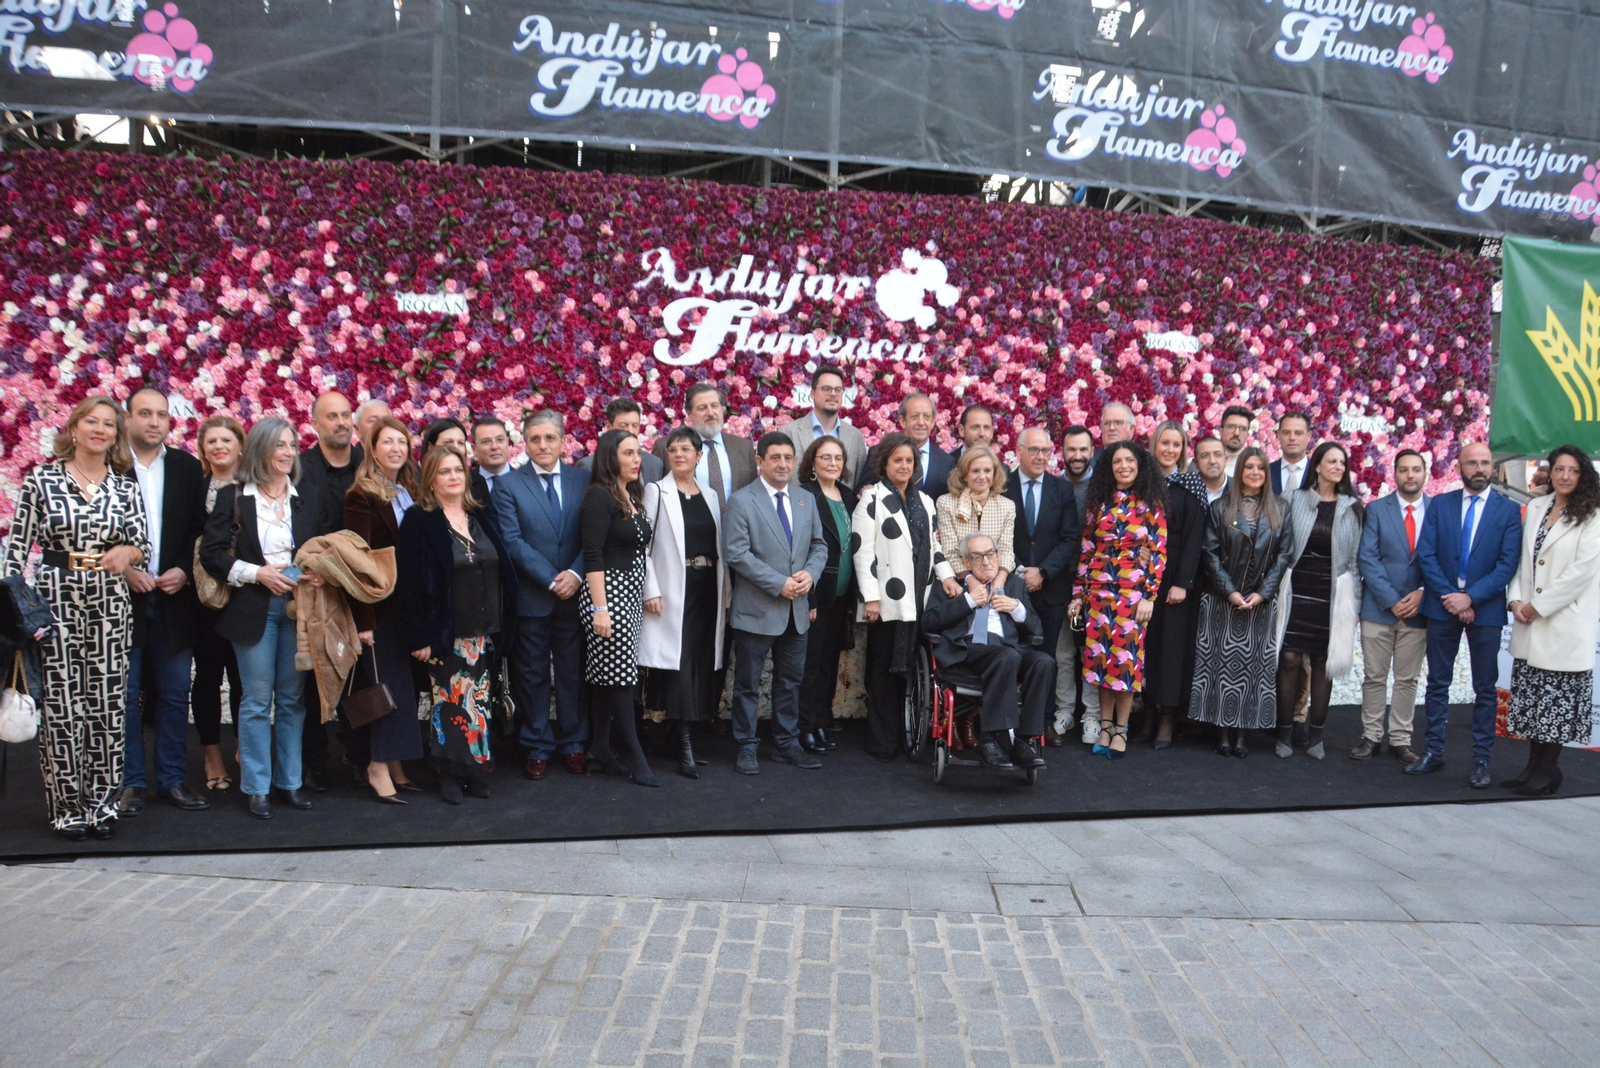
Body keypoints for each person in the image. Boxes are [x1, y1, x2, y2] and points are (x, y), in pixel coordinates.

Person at [3, 396, 150, 840]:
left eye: (109, 423)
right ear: (73, 427)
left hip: (110, 600)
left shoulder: (125, 485)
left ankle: (103, 805)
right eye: (92, 421)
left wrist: (129, 552)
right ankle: (68, 809)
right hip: (56, 599)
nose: (100, 429)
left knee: (108, 704)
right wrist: (16, 610)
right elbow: (15, 551)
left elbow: (142, 541)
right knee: (66, 707)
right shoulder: (42, 480)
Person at [200, 417, 318, 821]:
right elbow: (212, 554)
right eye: (278, 445)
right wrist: (257, 572)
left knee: (291, 699)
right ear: (260, 450)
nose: (286, 452)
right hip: (253, 610)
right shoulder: (234, 496)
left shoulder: (306, 497)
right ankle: (256, 788)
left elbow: (321, 548)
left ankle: (290, 783)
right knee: (254, 701)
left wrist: (312, 571)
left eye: (291, 445)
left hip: (297, 608)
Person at [397, 446, 518, 804]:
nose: (453, 477)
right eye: (444, 471)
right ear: (430, 481)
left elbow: (501, 567)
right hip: (445, 632)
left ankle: (477, 769)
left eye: (458, 470)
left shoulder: (481, 514)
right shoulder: (419, 520)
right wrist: (419, 635)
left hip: (484, 630)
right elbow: (408, 585)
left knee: (478, 703)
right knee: (449, 705)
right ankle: (449, 772)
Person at [1409, 442, 1523, 788]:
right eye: (1471, 462)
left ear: (1493, 468)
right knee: (1437, 683)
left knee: (1485, 689)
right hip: (1443, 606)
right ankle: (1433, 752)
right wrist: (1452, 598)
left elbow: (1507, 565)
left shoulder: (1509, 511)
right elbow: (1426, 554)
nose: (1478, 468)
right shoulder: (1441, 504)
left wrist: (1470, 597)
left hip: (1485, 610)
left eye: (1485, 463)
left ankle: (1481, 761)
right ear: (1459, 466)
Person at [118, 387, 208, 815]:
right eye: (145, 414)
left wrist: (184, 570)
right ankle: (131, 783)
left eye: (161, 415)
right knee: (126, 693)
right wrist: (124, 569)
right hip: (121, 599)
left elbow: (198, 530)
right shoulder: (112, 467)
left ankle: (172, 780)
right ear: (128, 418)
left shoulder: (188, 469)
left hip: (173, 599)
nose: (154, 422)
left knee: (174, 693)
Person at [722, 434, 829, 775]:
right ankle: (745, 745)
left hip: (796, 611)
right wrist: (779, 583)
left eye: (788, 457)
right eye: (775, 458)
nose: (783, 464)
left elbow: (819, 545)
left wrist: (810, 576)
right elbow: (736, 554)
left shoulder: (804, 499)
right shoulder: (741, 501)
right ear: (760, 461)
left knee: (790, 682)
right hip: (757, 609)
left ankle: (786, 744)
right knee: (748, 684)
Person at [496, 410, 591, 779]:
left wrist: (576, 574)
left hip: (574, 594)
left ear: (563, 440)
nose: (543, 445)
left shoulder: (582, 479)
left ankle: (573, 743)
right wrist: (553, 579)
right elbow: (513, 542)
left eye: (550, 438)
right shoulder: (509, 484)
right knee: (533, 676)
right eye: (535, 439)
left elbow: (591, 537)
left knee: (571, 674)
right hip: (535, 597)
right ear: (525, 442)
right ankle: (537, 745)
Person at [853, 432, 959, 760]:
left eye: (909, 460)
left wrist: (948, 578)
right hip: (886, 604)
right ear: (884, 464)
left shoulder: (925, 502)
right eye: (897, 460)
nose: (903, 465)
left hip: (919, 600)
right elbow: (861, 552)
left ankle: (906, 737)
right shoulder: (870, 499)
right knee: (882, 674)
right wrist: (871, 598)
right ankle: (881, 743)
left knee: (909, 673)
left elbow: (936, 547)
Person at [1503, 445, 1600, 796]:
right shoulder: (1538, 507)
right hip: (1530, 621)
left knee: (1555, 707)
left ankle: (1548, 773)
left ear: (1583, 474)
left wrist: (1537, 606)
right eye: (1559, 469)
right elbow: (1522, 561)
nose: (1564, 476)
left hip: (1563, 623)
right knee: (1534, 704)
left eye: (1573, 471)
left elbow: (1581, 572)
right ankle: (1532, 770)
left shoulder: (1593, 514)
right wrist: (1515, 600)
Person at [1188, 448, 1293, 756]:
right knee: (1220, 668)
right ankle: (1222, 734)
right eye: (1249, 467)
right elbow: (1209, 553)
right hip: (1222, 600)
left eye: (1261, 467)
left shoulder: (1281, 509)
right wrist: (1230, 591)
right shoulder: (1220, 507)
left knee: (1252, 670)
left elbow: (1284, 555)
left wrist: (1263, 593)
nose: (1256, 472)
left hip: (1260, 603)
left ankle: (1243, 735)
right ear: (1241, 471)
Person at [342, 416, 425, 803]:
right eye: (387, 442)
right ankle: (375, 765)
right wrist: (364, 621)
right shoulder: (362, 495)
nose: (395, 448)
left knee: (402, 689)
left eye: (401, 442)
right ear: (372, 449)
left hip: (408, 607)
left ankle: (393, 762)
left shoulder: (409, 490)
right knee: (383, 687)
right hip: (380, 609)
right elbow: (357, 562)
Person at [921, 533, 1053, 769]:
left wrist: (1017, 609)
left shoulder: (1013, 584)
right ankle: (990, 739)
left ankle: (1024, 740)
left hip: (1008, 648)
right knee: (1006, 657)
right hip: (968, 649)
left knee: (1043, 661)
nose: (986, 561)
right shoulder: (953, 584)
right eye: (977, 557)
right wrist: (968, 602)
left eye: (990, 554)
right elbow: (929, 622)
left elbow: (1037, 628)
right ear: (965, 562)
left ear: (998, 555)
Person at [640, 427, 728, 778]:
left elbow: (720, 550)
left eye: (686, 449)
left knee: (701, 662)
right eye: (673, 449)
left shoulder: (709, 494)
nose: (679, 455)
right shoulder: (656, 491)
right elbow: (642, 547)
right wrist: (651, 589)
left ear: (698, 455)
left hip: (708, 587)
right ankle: (684, 744)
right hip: (675, 590)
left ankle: (682, 737)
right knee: (681, 666)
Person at [1070, 442, 1167, 759]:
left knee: (1124, 665)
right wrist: (1079, 595)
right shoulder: (1098, 502)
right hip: (1098, 593)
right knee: (1100, 665)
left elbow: (1158, 553)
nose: (1123, 466)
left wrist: (1149, 595)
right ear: (1108, 468)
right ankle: (1105, 726)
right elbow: (1087, 551)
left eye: (1129, 460)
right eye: (1116, 462)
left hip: (1132, 595)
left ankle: (1121, 730)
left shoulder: (1150, 504)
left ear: (1140, 465)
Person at [1275, 442, 1365, 760]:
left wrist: (1354, 605)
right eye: (1332, 461)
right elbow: (1280, 548)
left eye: (1342, 462)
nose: (1338, 466)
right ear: (1317, 465)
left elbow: (1354, 562)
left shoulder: (1353, 508)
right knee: (1287, 659)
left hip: (1332, 597)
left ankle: (1316, 736)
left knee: (1321, 663)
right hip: (1295, 591)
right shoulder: (1293, 499)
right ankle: (1284, 732)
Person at [578, 428, 657, 786]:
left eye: (638, 452)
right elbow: (592, 554)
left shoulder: (632, 495)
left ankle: (598, 748)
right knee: (621, 678)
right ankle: (635, 756)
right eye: (627, 453)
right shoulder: (599, 496)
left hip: (630, 596)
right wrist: (600, 609)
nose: (636, 459)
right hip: (607, 595)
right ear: (610, 457)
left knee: (604, 675)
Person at [295, 390, 363, 790]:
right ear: (315, 423)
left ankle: (358, 758)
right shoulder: (299, 468)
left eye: (345, 415)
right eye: (331, 416)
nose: (340, 422)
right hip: (316, 585)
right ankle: (314, 764)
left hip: (360, 587)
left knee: (359, 675)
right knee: (313, 677)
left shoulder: (365, 465)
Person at [1353, 449, 1430, 764]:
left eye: (1416, 470)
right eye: (1404, 470)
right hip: (1379, 608)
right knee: (1374, 676)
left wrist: (1424, 592)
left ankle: (1400, 739)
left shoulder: (1438, 511)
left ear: (1425, 473)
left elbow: (1443, 558)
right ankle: (1370, 736)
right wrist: (1393, 600)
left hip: (1420, 610)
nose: (1410, 475)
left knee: (1407, 678)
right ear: (1394, 474)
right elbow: (1367, 559)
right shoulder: (1377, 509)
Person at [1005, 427, 1080, 747]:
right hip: (1010, 586)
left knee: (1048, 658)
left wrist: (1043, 572)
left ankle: (1044, 723)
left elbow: (1070, 539)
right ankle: (1005, 721)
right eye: (1033, 450)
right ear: (1018, 451)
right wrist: (1020, 572)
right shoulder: (1001, 484)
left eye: (1045, 452)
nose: (1040, 457)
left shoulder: (1061, 490)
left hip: (1050, 588)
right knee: (1008, 654)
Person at [1143, 426, 1206, 749]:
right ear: (1154, 446)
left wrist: (1182, 583)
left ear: (1183, 450)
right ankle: (1148, 712)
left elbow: (1196, 538)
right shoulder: (1141, 482)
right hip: (1140, 576)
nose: (1169, 449)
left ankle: (1167, 716)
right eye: (1164, 443)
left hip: (1176, 578)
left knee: (1170, 650)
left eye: (1176, 445)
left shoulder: (1191, 485)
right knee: (1147, 646)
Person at [795, 436, 858, 755]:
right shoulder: (805, 496)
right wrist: (810, 599)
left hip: (842, 596)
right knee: (811, 664)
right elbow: (802, 549)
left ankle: (820, 721)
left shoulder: (848, 497)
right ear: (812, 462)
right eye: (825, 457)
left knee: (830, 664)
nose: (833, 463)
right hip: (816, 596)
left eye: (838, 458)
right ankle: (804, 727)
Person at [192, 414, 245, 792]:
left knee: (245, 678)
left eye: (226, 439)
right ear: (203, 449)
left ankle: (246, 748)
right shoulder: (194, 489)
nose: (219, 447)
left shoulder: (254, 487)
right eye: (212, 441)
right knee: (209, 677)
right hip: (202, 599)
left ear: (241, 445)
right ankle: (212, 755)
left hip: (246, 596)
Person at [1058, 424, 1101, 743]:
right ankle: (1064, 712)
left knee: (1091, 651)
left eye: (1083, 449)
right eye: (1071, 449)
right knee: (1063, 652)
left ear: (1092, 451)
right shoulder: (1054, 487)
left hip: (1097, 582)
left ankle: (1092, 717)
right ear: (1062, 451)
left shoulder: (1103, 489)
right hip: (1059, 580)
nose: (1077, 455)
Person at [654, 383, 754, 505]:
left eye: (714, 406)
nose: (710, 413)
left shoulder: (744, 447)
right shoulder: (667, 448)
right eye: (702, 408)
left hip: (735, 523)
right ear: (689, 414)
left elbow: (753, 493)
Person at [774, 365, 868, 489]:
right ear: (812, 393)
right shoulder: (787, 432)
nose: (833, 394)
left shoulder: (855, 436)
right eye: (826, 388)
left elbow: (858, 486)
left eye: (838, 389)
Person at [936, 445, 1016, 579]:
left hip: (997, 579)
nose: (982, 476)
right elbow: (949, 551)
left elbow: (1006, 550)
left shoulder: (1006, 506)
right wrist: (970, 580)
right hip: (960, 580)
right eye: (975, 471)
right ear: (965, 475)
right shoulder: (946, 503)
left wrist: (999, 581)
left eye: (987, 471)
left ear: (994, 473)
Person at [862, 393, 955, 498]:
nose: (921, 422)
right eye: (914, 416)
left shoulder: (946, 461)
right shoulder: (879, 453)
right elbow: (861, 491)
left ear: (933, 422)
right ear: (902, 421)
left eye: (926, 417)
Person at [583, 398, 665, 483]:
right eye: (623, 425)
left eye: (635, 425)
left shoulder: (654, 464)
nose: (630, 431)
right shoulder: (589, 466)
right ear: (608, 426)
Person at [1270, 411, 1313, 496]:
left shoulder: (1319, 473)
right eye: (1286, 433)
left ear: (1309, 436)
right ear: (1279, 435)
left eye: (1298, 433)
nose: (1292, 438)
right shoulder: (1265, 472)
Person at [470, 416, 514, 499]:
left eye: (500, 440)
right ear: (474, 449)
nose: (494, 446)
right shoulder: (465, 484)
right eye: (486, 441)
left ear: (508, 443)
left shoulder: (528, 482)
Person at [1219, 404, 1254, 477]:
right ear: (1221, 431)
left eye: (1242, 429)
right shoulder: (1205, 463)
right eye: (1231, 427)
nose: (1236, 433)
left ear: (1247, 435)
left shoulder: (1254, 467)